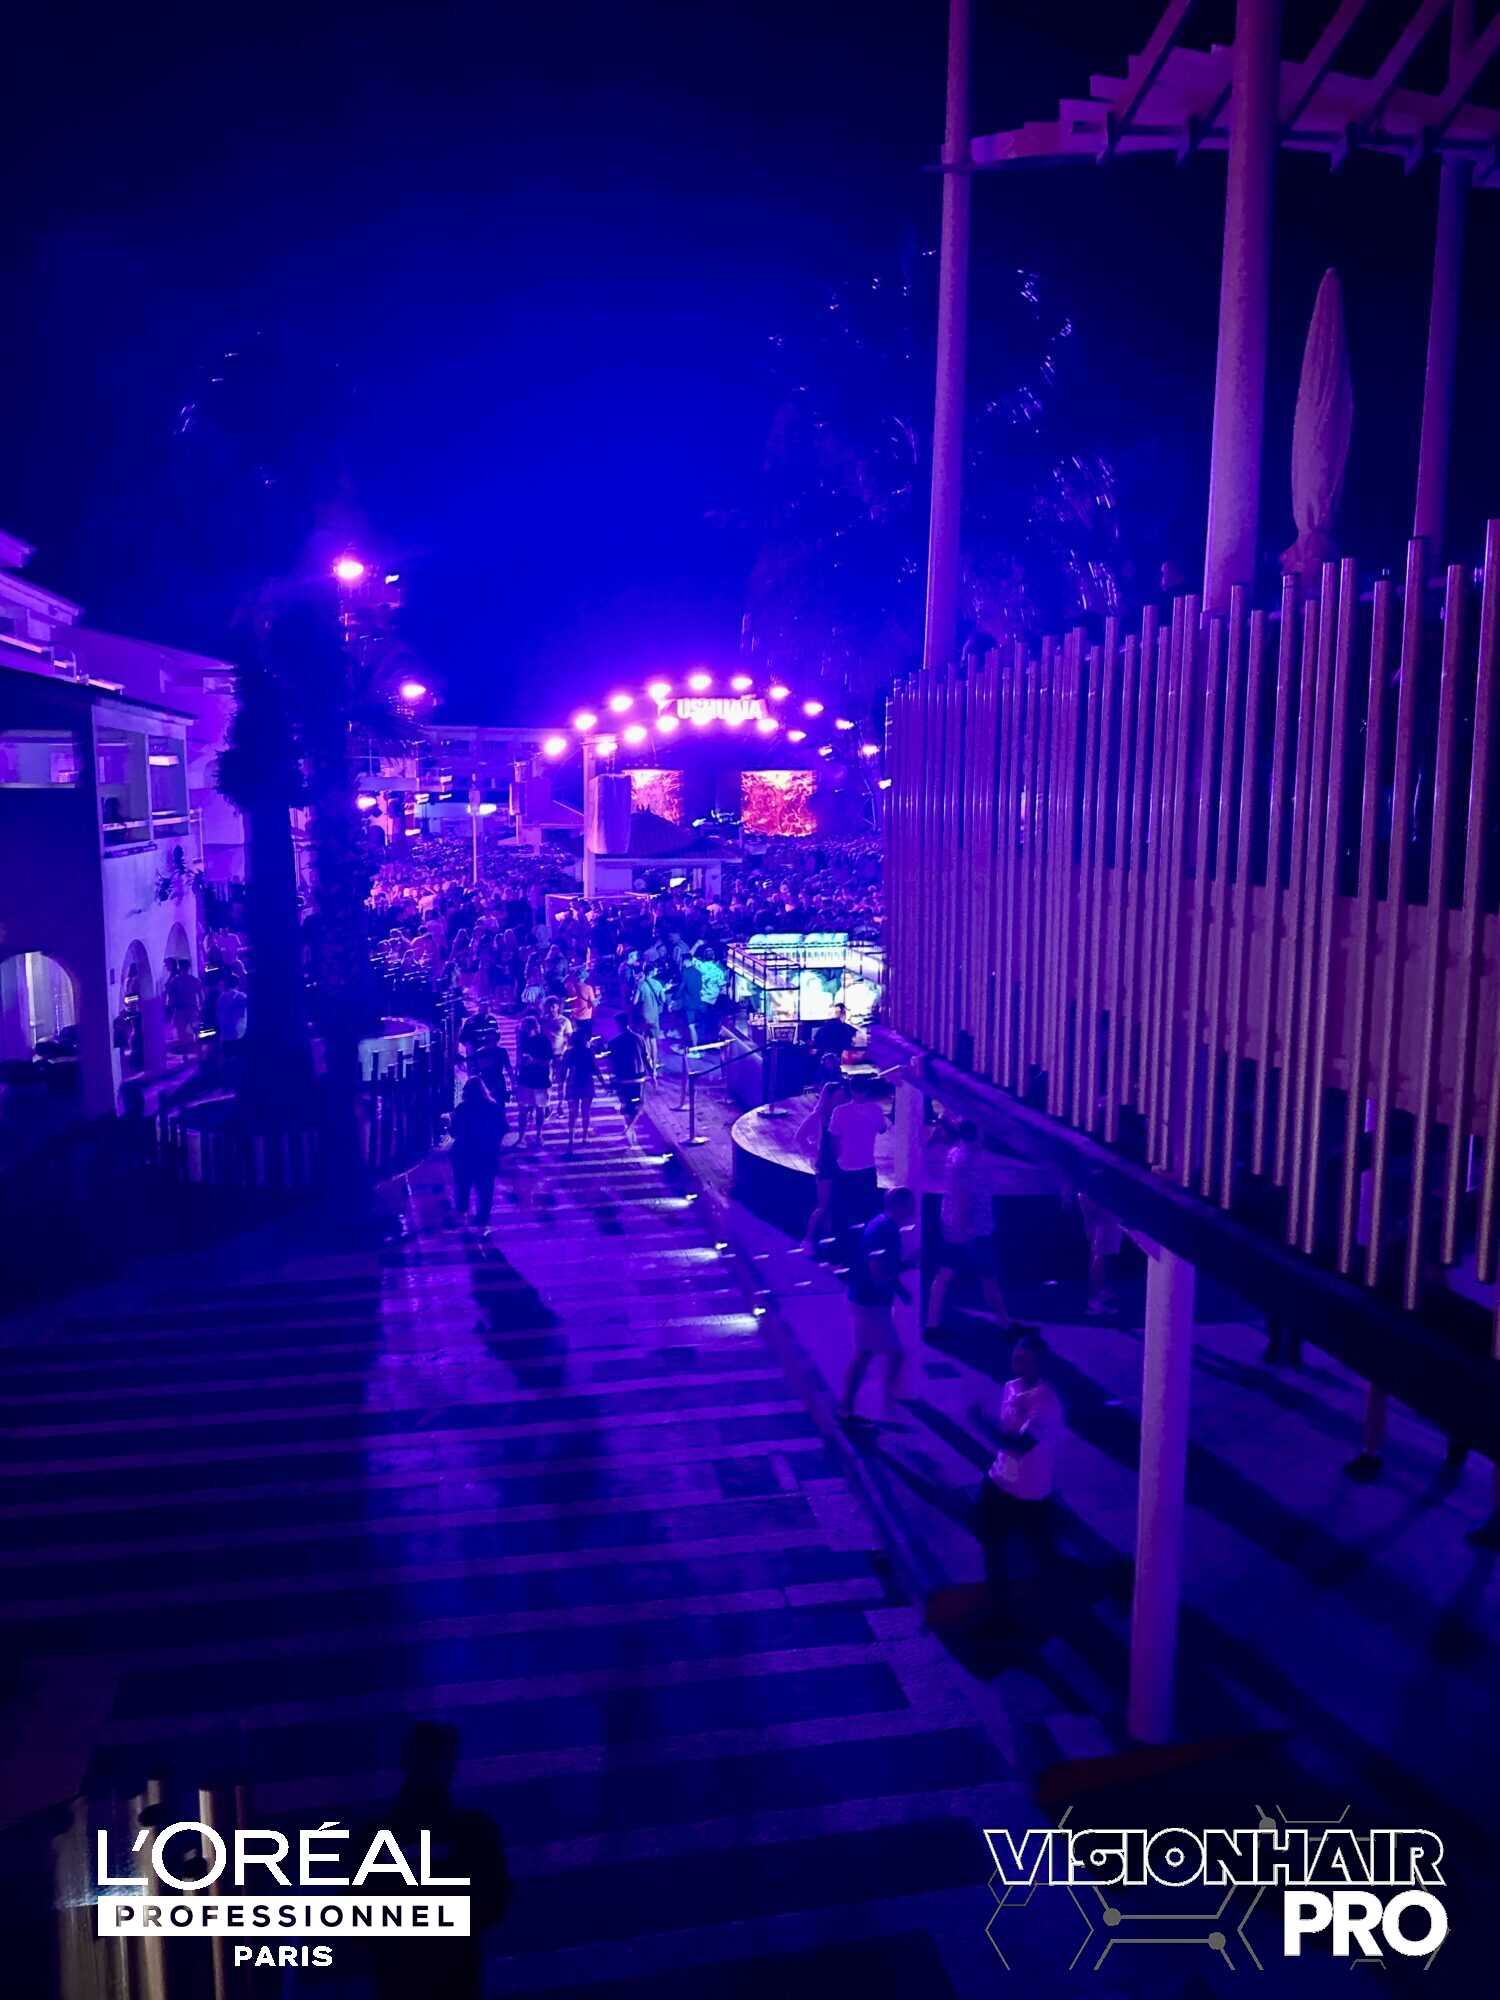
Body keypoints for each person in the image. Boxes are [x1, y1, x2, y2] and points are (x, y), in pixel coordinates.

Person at [360, 1722, 510, 2000]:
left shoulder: (373, 1834)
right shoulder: (475, 1830)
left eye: (435, 1757)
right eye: (429, 1756)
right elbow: (493, 1901)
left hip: (406, 1978)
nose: (432, 1766)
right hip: (448, 1977)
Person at [975, 1331, 1065, 1623]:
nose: (1018, 1362)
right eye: (1017, 1356)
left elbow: (1020, 1446)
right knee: (993, 1545)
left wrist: (980, 1424)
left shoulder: (1046, 1404)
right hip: (998, 1481)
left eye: (1026, 1359)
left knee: (1039, 1551)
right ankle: (999, 1610)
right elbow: (1008, 1436)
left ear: (1041, 1364)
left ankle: (1051, 1605)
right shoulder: (1011, 1388)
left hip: (1029, 1492)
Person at [927, 1118, 1012, 1335]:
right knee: (987, 1276)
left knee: (945, 1274)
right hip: (972, 1229)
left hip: (960, 1225)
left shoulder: (956, 1153)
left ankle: (932, 1323)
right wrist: (964, 1228)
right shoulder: (967, 1160)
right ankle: (1005, 1325)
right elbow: (963, 1195)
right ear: (976, 1134)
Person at [839, 1185, 916, 1423]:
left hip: (866, 1299)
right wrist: (906, 1266)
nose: (913, 1210)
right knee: (892, 1354)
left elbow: (881, 1266)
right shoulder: (885, 1230)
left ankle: (849, 1407)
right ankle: (888, 1406)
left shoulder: (882, 1225)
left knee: (865, 1353)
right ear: (898, 1205)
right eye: (909, 1205)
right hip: (871, 1302)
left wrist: (900, 1289)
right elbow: (878, 1270)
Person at [826, 1073, 890, 1251]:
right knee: (867, 1210)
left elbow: (834, 1140)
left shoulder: (839, 1112)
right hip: (867, 1166)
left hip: (845, 1166)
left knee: (844, 1210)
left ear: (851, 1090)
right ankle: (866, 1247)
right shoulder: (875, 1110)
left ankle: (842, 1247)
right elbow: (883, 1129)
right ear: (867, 1090)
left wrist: (836, 1159)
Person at [796, 1059, 852, 1257]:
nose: (841, 1101)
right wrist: (815, 1151)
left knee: (837, 1204)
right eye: (838, 1098)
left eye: (843, 1098)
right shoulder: (819, 1116)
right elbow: (800, 1136)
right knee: (823, 1205)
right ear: (829, 1099)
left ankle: (830, 1241)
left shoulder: (844, 1115)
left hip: (843, 1162)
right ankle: (809, 1239)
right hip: (827, 1163)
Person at [449, 1076, 505, 1229]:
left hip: (464, 1153)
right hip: (487, 1154)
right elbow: (503, 1128)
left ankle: (462, 1214)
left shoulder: (462, 1109)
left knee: (462, 1185)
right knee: (486, 1188)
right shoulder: (494, 1108)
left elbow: (454, 1132)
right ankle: (483, 1220)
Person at [608, 1009, 651, 1144]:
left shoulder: (614, 1042)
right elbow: (646, 1058)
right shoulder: (639, 1039)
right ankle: (630, 1127)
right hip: (638, 1078)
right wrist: (652, 1073)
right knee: (639, 1105)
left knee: (625, 1104)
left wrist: (611, 1080)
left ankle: (629, 1127)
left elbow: (612, 1063)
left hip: (622, 1079)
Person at [514, 1011, 553, 1149]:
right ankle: (521, 1137)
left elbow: (548, 1060)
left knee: (540, 1108)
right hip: (525, 1079)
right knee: (523, 1110)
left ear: (534, 1028)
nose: (524, 1032)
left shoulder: (544, 1041)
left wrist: (533, 1060)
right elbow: (519, 1058)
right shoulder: (523, 1041)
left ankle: (539, 1135)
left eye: (526, 1029)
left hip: (540, 1080)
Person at [559, 1022, 599, 1153]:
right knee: (586, 1111)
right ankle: (584, 1136)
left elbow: (563, 1071)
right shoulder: (589, 1052)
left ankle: (571, 1139)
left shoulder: (569, 1053)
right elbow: (595, 1069)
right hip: (586, 1083)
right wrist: (604, 1083)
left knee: (573, 1113)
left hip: (573, 1083)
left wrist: (560, 1085)